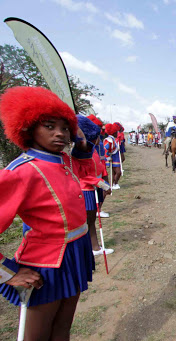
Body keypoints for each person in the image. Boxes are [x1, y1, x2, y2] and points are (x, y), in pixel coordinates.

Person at [0, 86, 94, 340]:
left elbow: (86, 173)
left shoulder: (64, 161)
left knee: (62, 330)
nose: (60, 134)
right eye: (49, 126)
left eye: (65, 128)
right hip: (44, 267)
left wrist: (83, 145)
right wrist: (8, 273)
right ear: (28, 127)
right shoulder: (20, 171)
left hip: (76, 254)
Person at [73, 116, 114, 256]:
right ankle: (94, 248)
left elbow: (99, 166)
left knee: (91, 219)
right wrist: (101, 183)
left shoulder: (93, 150)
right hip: (86, 190)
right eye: (98, 137)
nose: (99, 139)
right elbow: (83, 176)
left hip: (92, 188)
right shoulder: (80, 154)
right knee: (89, 220)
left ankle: (93, 246)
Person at [104, 123, 122, 189]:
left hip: (115, 157)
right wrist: (108, 158)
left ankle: (113, 184)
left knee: (114, 173)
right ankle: (114, 183)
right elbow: (105, 149)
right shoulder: (109, 140)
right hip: (113, 158)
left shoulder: (112, 139)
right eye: (116, 132)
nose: (117, 133)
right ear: (113, 132)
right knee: (118, 172)